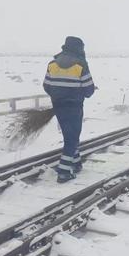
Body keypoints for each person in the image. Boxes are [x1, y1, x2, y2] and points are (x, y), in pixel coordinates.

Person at [42, 36, 95, 182]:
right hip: (74, 107)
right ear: (79, 48)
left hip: (59, 107)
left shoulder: (52, 64)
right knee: (72, 138)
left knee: (69, 135)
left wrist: (59, 96)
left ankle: (76, 163)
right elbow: (89, 90)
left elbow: (46, 86)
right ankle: (64, 171)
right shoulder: (81, 65)